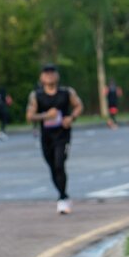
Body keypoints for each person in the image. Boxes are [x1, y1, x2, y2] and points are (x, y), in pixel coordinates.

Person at [26, 64, 83, 214]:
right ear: (41, 77)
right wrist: (46, 115)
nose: (49, 75)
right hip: (46, 137)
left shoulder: (66, 92)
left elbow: (78, 106)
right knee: (52, 166)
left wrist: (71, 118)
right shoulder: (36, 95)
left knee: (59, 164)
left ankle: (62, 198)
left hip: (63, 135)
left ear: (57, 75)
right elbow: (29, 116)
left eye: (52, 72)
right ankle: (63, 195)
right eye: (46, 73)